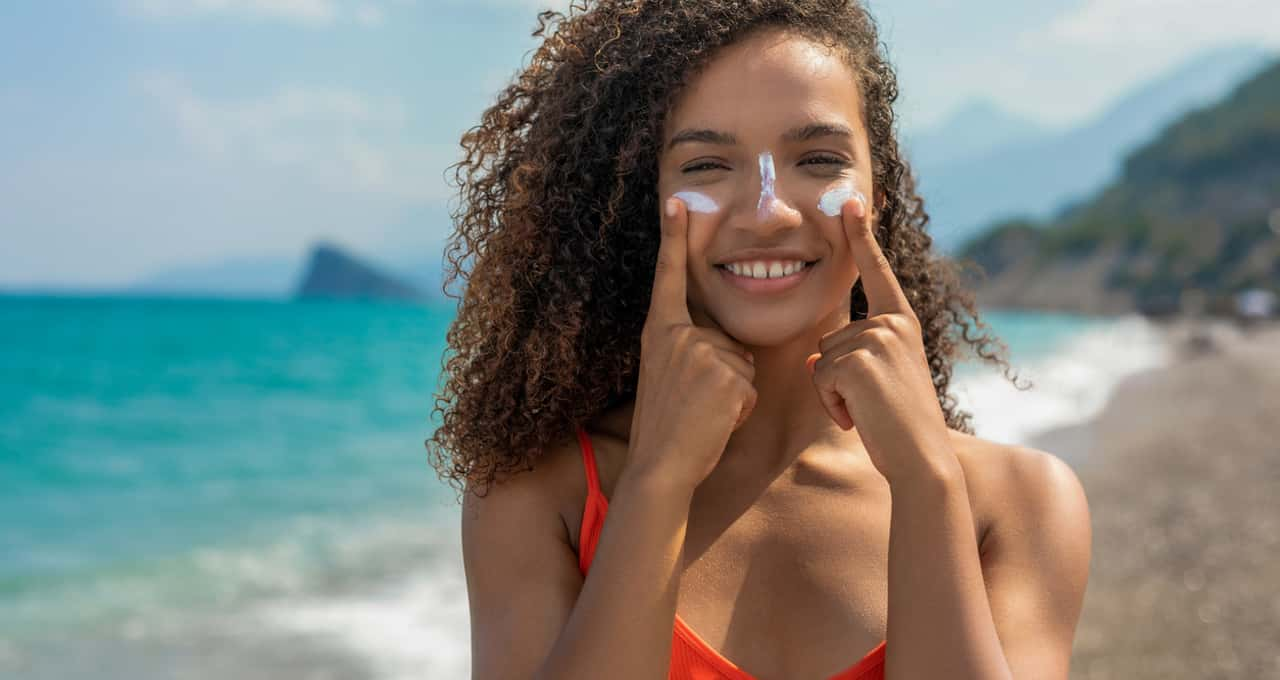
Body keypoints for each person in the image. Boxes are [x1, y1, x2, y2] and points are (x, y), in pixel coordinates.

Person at [428, 2, 1092, 678]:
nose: (768, 213)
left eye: (819, 158)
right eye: (707, 165)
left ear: (877, 190)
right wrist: (657, 485)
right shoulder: (539, 495)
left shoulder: (1020, 504)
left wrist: (926, 485)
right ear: (638, 201)